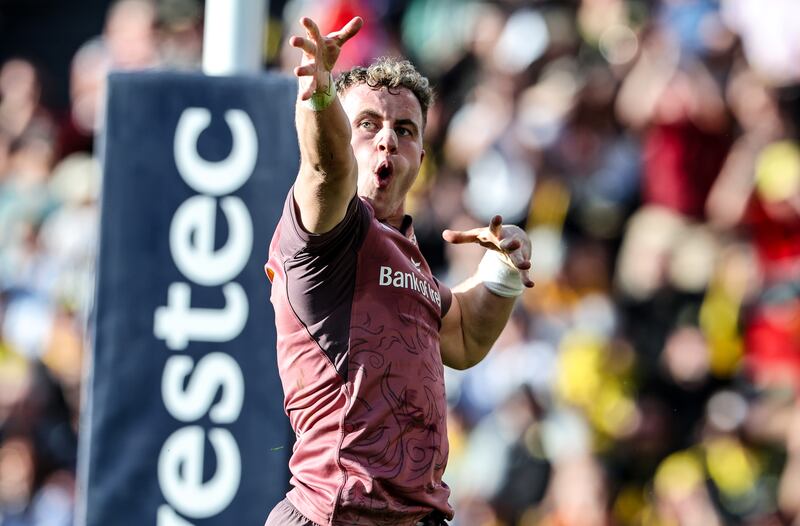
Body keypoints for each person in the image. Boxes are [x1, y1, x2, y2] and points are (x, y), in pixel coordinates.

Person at [264, 15, 534, 526]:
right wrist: (319, 95)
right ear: (345, 135)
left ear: (421, 155)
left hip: (416, 516)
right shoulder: (330, 231)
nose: (387, 140)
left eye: (404, 130)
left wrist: (501, 272)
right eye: (367, 124)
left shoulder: (407, 250)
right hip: (336, 514)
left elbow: (462, 339)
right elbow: (326, 166)